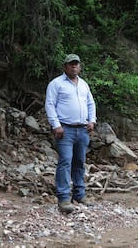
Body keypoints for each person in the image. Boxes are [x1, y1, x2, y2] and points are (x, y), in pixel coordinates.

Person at [45, 53, 97, 213]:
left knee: (79, 162)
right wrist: (56, 125)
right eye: (71, 64)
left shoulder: (83, 85)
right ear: (65, 66)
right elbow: (50, 104)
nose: (74, 66)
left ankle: (79, 195)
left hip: (83, 129)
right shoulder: (56, 84)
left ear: (80, 66)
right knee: (65, 162)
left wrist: (92, 120)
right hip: (65, 129)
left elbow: (90, 103)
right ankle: (63, 198)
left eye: (76, 64)